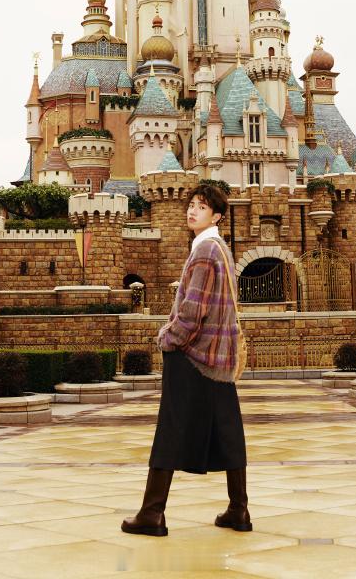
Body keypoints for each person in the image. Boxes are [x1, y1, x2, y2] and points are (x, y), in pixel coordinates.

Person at [121, 183, 250, 537]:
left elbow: (193, 310)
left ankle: (152, 513)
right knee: (228, 430)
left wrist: (169, 338)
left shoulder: (205, 250)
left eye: (202, 207)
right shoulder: (221, 248)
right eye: (191, 204)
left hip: (193, 355)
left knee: (171, 430)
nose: (192, 211)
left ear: (217, 216)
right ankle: (238, 509)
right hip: (219, 357)